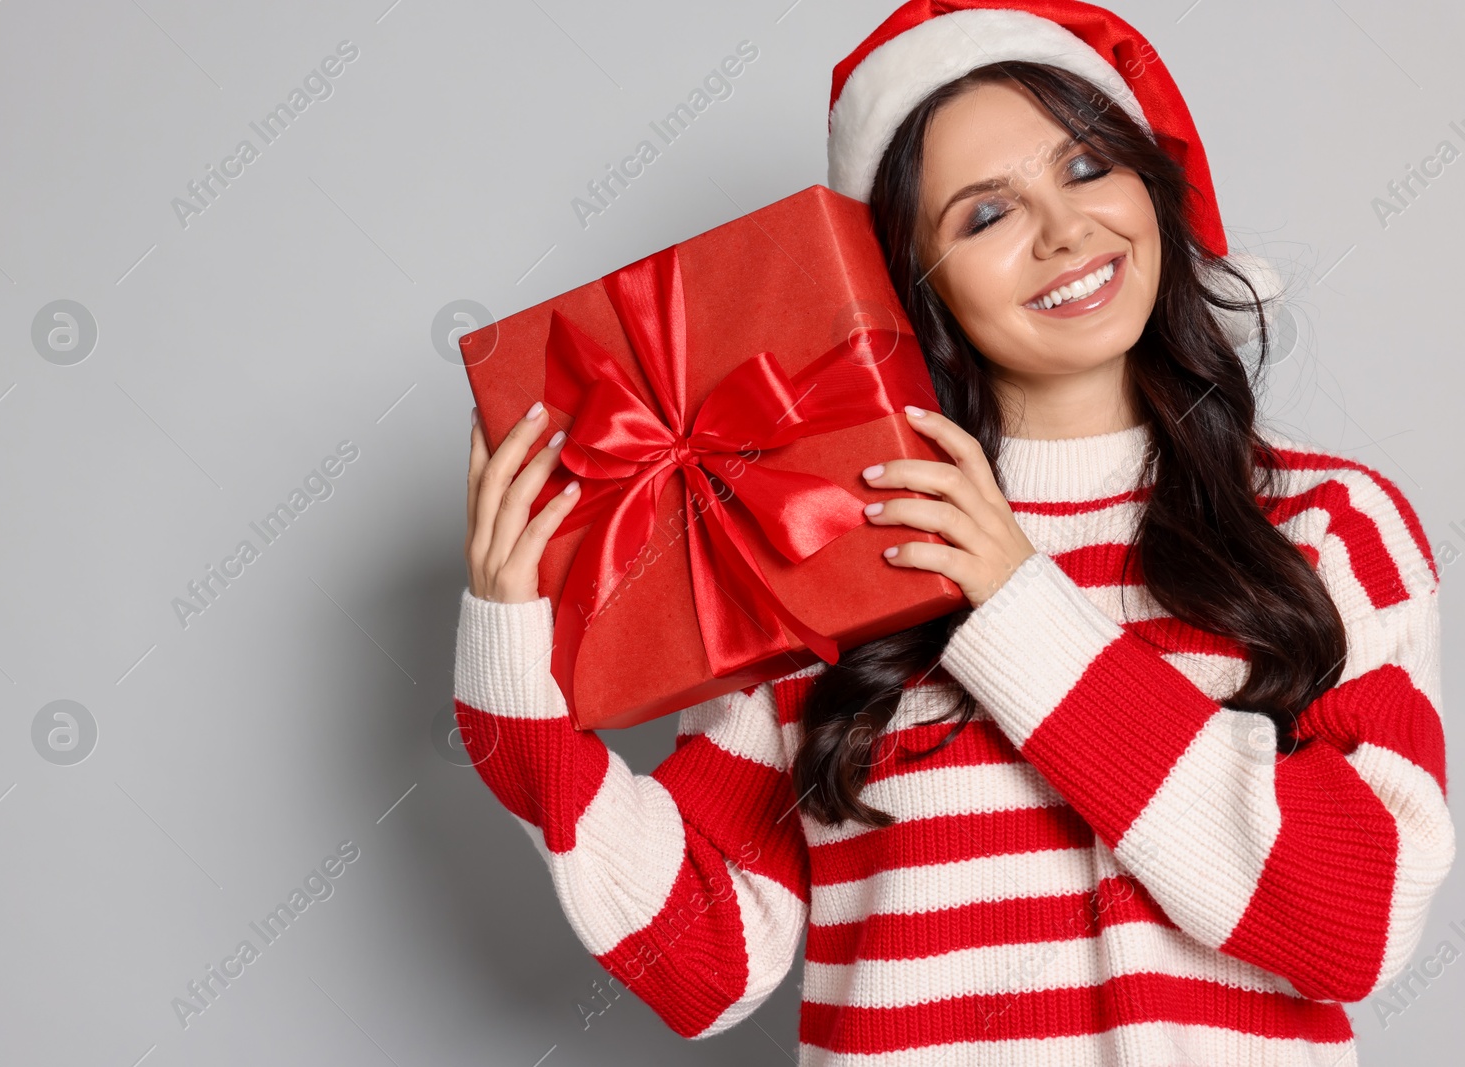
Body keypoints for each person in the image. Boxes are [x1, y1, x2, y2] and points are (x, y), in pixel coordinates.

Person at [453, 2, 1452, 1063]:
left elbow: (1355, 924)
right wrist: (517, 698)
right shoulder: (827, 540)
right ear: (906, 285)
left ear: (1149, 186)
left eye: (1084, 167)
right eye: (985, 216)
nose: (1065, 232)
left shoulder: (1325, 522)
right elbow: (703, 959)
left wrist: (1017, 609)